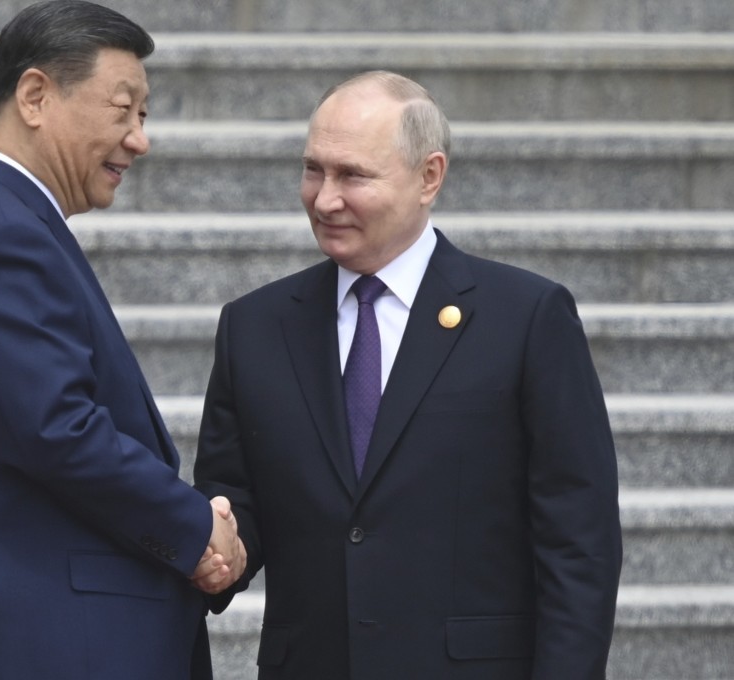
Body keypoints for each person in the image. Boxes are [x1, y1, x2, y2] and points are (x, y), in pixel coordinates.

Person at [194, 71, 623, 679]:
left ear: (429, 177)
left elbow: (579, 540)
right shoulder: (254, 327)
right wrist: (219, 552)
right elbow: (233, 500)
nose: (324, 199)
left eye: (353, 175)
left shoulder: (525, 318)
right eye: (314, 170)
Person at [0, 2, 245, 678]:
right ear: (35, 97)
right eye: (123, 109)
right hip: (26, 641)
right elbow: (56, 430)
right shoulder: (0, 233)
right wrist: (196, 527)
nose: (140, 140)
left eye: (144, 115)